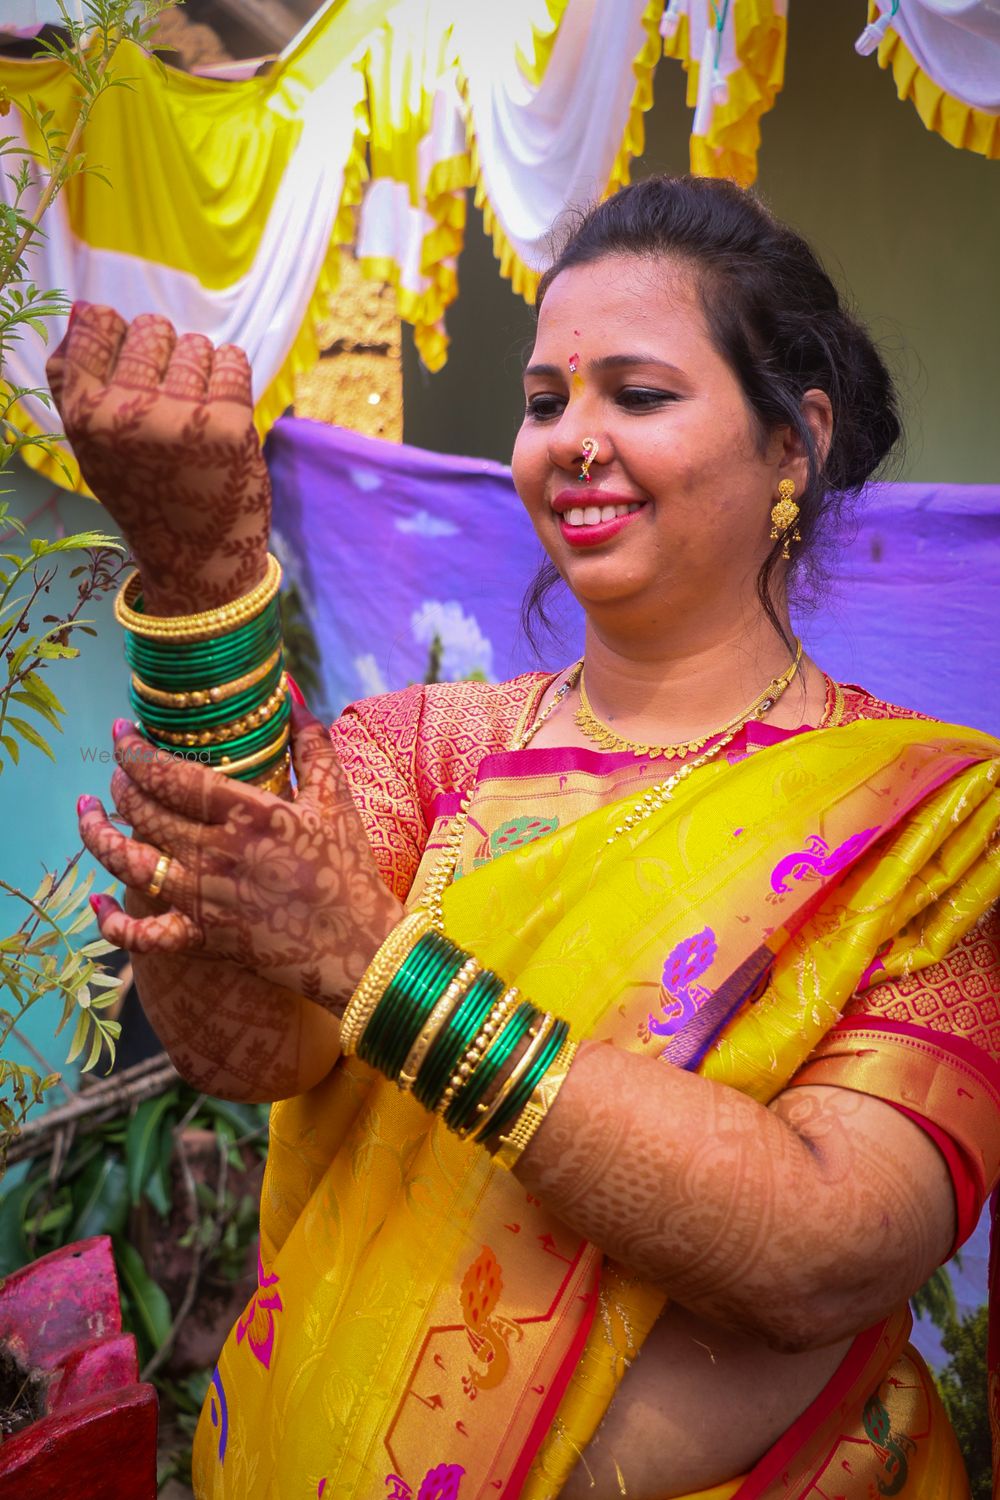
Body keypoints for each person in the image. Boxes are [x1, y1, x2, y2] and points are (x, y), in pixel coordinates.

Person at [55, 176, 999, 1500]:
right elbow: (247, 1045)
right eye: (548, 401)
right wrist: (202, 576)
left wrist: (384, 972)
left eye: (640, 394)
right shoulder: (430, 755)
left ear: (795, 445)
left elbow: (829, 1243)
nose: (574, 440)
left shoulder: (929, 822)